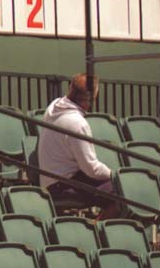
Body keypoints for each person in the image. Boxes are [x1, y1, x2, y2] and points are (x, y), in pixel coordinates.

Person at [37, 74, 116, 207]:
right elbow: (91, 169)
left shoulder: (53, 106)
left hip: (50, 181)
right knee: (120, 191)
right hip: (61, 186)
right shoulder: (78, 124)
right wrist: (115, 175)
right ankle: (96, 226)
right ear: (91, 99)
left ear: (70, 88)